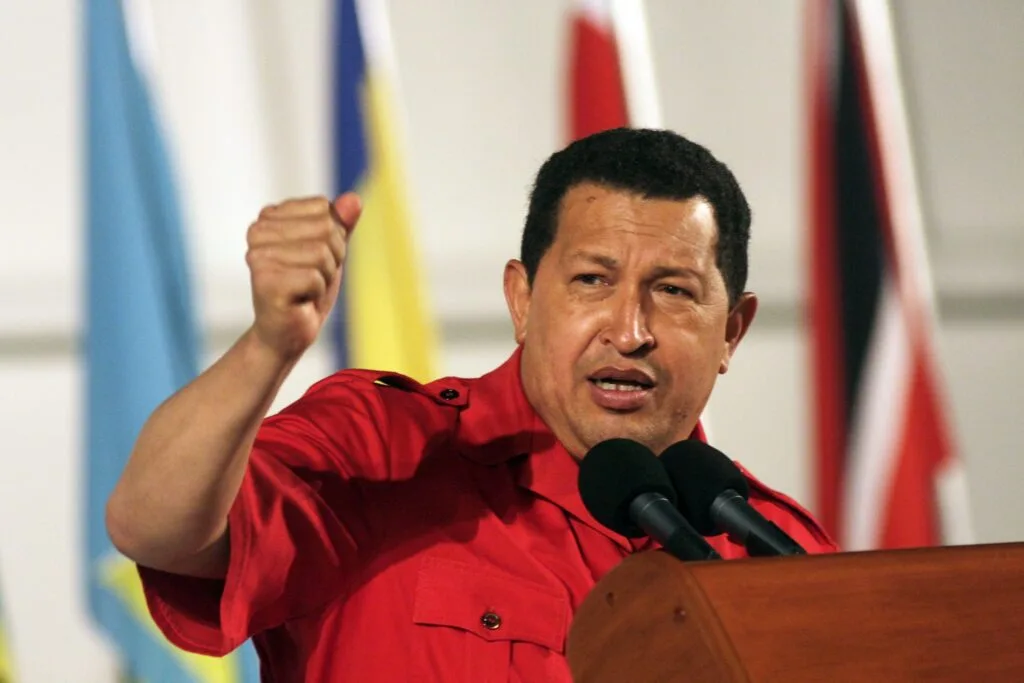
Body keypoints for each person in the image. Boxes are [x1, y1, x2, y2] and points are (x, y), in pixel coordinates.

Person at [107, 128, 836, 682]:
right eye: (592, 280)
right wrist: (268, 344)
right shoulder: (382, 453)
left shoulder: (773, 550)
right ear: (522, 299)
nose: (630, 330)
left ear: (731, 331)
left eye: (673, 290)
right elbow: (153, 526)